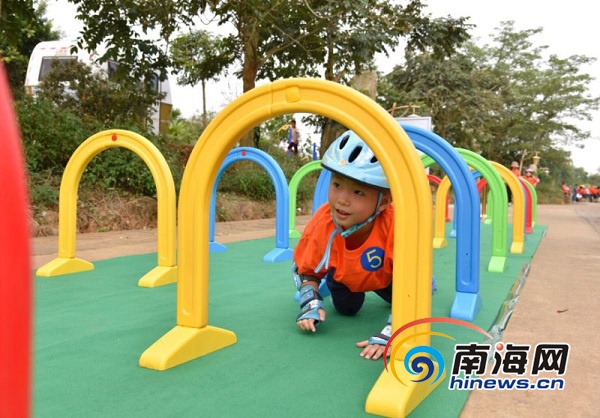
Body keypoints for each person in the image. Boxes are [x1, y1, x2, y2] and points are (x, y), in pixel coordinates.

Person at [292, 130, 409, 361]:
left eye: (358, 192)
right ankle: (339, 284)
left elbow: (410, 289)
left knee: (409, 296)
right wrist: (310, 303)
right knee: (347, 310)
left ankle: (426, 284)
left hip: (389, 277)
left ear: (383, 202)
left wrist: (395, 331)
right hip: (346, 278)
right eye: (337, 184)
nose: (342, 199)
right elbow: (307, 271)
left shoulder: (397, 224)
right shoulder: (322, 222)